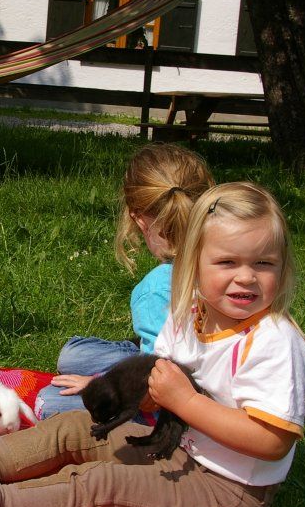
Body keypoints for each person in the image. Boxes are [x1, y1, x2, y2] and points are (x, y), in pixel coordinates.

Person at [0, 181, 305, 507]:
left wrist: (186, 403)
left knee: (98, 483)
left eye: (264, 264)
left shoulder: (273, 341)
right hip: (175, 446)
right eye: (227, 262)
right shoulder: (190, 312)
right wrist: (129, 391)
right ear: (194, 263)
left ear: (283, 267)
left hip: (228, 488)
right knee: (72, 427)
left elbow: (272, 442)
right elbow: (151, 383)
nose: (246, 277)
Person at [35, 143, 214, 418]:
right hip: (198, 371)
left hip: (179, 404)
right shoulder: (226, 263)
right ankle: (129, 355)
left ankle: (115, 369)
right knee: (73, 354)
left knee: (47, 402)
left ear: (138, 219)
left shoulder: (157, 289)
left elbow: (159, 386)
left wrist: (100, 385)